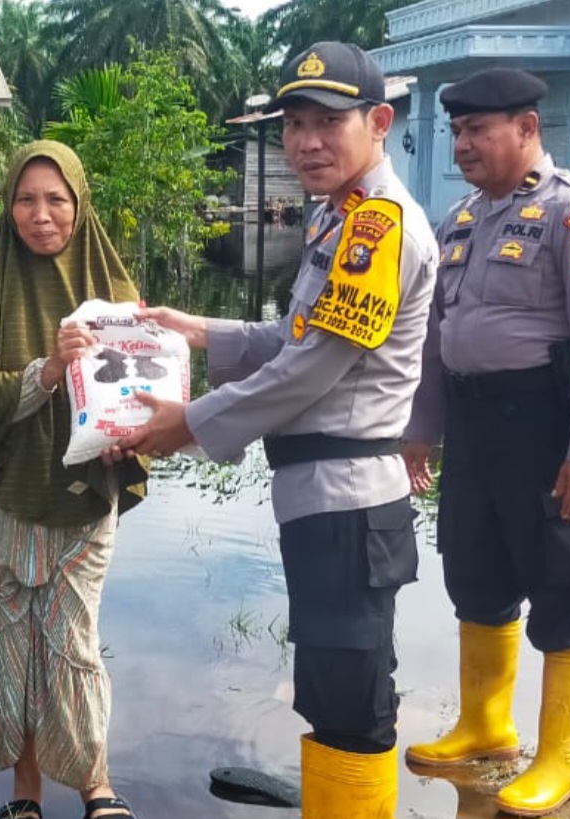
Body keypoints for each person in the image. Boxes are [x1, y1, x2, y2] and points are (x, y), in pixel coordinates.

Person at [116, 42, 438, 818]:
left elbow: (310, 371)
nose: (307, 141)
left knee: (354, 697)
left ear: (380, 121)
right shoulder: (339, 218)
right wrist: (198, 330)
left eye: (328, 122)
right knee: (332, 686)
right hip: (323, 500)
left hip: (349, 502)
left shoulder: (378, 229)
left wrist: (185, 423)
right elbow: (294, 340)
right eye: (295, 123)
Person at [402, 68, 570, 818]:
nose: (461, 144)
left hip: (545, 425)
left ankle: (562, 754)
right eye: (457, 131)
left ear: (527, 128)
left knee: (563, 583)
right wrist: (421, 431)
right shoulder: (460, 219)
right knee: (476, 570)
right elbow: (436, 340)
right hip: (471, 424)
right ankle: (486, 727)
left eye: (477, 130)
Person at [0, 140, 148, 819]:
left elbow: (143, 396)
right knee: (13, 645)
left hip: (81, 496)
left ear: (80, 205)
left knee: (72, 642)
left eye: (56, 199)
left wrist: (135, 436)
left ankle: (97, 786)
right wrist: (47, 368)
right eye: (26, 200)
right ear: (7, 208)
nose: (41, 214)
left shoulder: (116, 298)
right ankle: (25, 794)